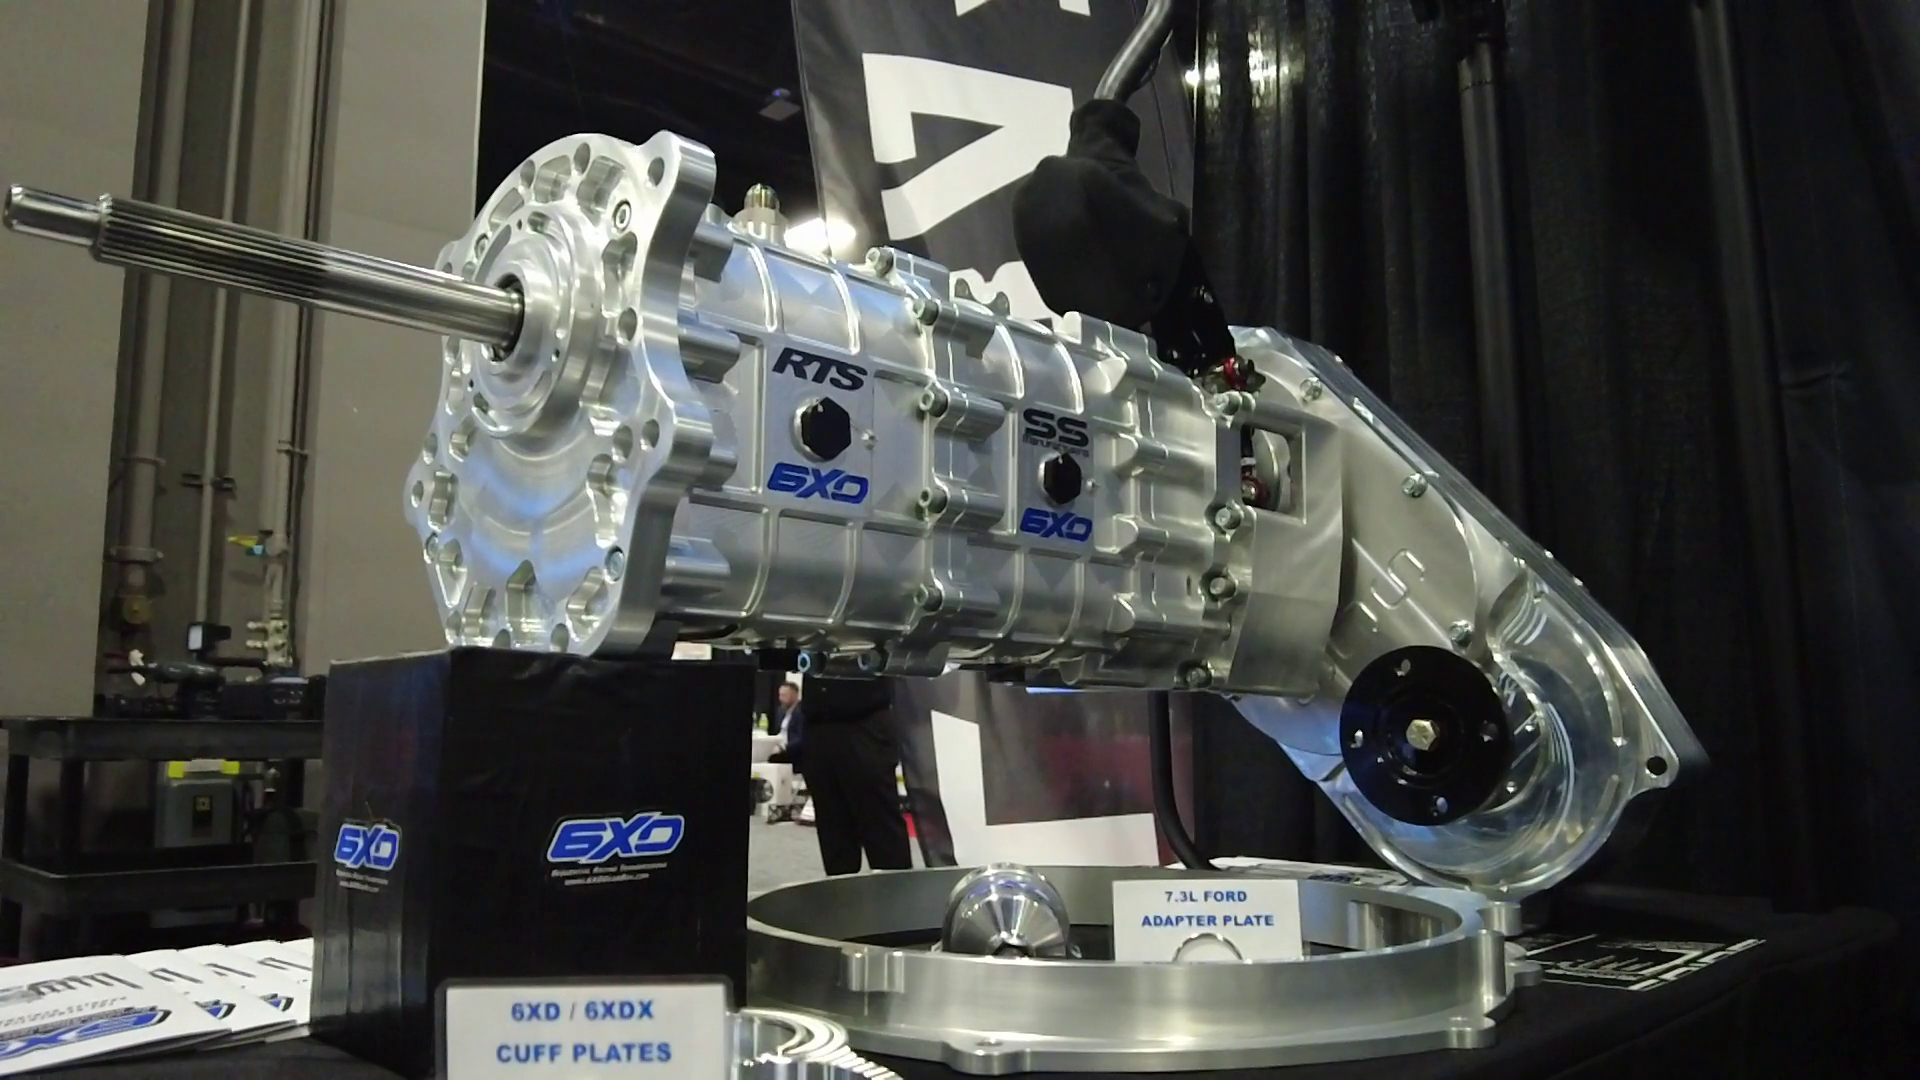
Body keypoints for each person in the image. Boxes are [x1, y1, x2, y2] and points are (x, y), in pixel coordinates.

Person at [774, 675, 910, 876]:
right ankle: (839, 890)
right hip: (818, 726)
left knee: (880, 826)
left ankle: (896, 891)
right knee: (832, 827)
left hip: (864, 721)